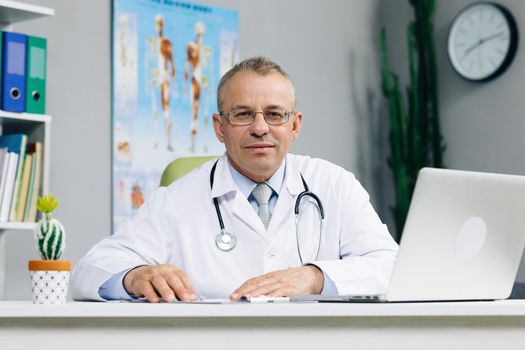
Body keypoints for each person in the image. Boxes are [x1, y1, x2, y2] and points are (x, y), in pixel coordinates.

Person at [71, 56, 398, 302]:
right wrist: (135, 275)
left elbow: (392, 266)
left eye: (274, 114)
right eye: (243, 114)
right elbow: (90, 270)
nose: (260, 127)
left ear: (294, 126)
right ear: (219, 127)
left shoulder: (334, 184)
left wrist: (314, 277)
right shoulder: (176, 199)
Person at [184, 22, 205, 152]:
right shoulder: (192, 50)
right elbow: (187, 69)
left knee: (199, 115)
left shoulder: (202, 52)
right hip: (194, 85)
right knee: (194, 114)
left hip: (200, 86)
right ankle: (192, 144)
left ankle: (196, 144)